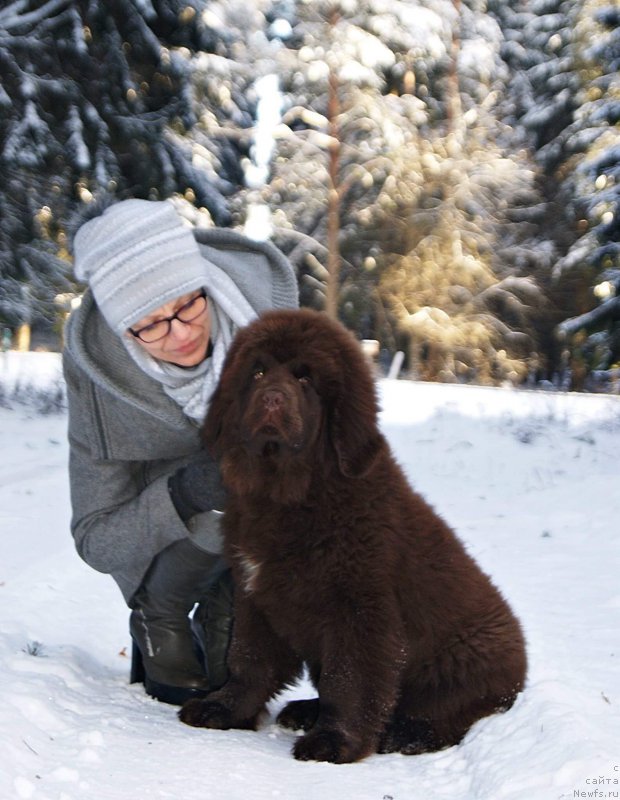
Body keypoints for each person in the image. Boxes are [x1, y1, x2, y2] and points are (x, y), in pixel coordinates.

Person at [63, 198, 299, 705]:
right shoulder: (100, 384)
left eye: (188, 304)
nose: (181, 332)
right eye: (150, 324)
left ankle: (230, 597)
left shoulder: (276, 329)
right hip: (176, 547)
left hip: (264, 544)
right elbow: (95, 539)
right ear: (123, 329)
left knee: (232, 678)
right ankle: (159, 611)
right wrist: (184, 493)